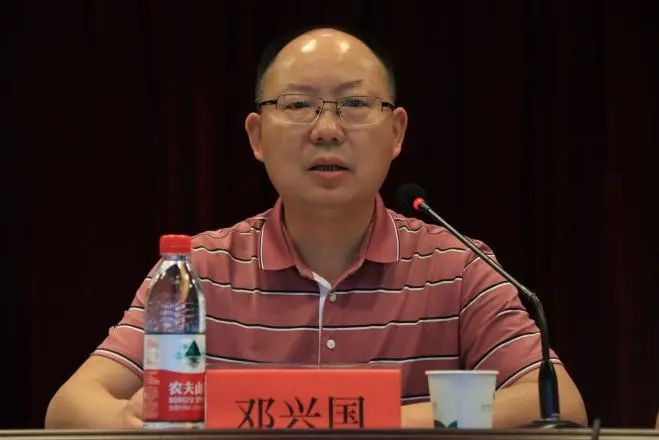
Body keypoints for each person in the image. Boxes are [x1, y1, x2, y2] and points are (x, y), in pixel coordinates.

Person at [45, 26, 587, 429]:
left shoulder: (458, 266)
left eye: (354, 103)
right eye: (298, 104)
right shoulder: (199, 271)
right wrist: (132, 420)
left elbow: (556, 401)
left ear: (397, 132)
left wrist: (375, 422)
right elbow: (71, 406)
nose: (327, 129)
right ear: (257, 136)